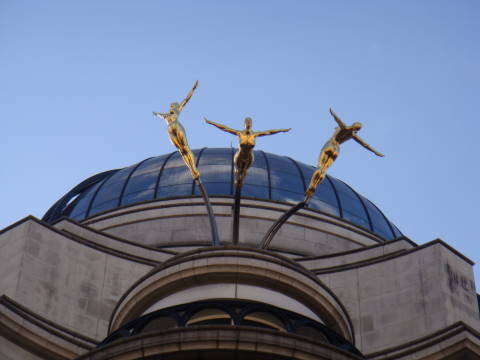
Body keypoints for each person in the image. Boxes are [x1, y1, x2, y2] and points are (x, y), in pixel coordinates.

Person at [305, 108, 384, 201]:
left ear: (353, 125)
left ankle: (311, 186)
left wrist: (332, 113)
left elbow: (338, 120)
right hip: (337, 149)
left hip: (330, 145)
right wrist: (375, 152)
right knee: (324, 170)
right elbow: (365, 144)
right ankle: (315, 185)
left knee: (319, 166)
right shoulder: (353, 135)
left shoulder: (344, 128)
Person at [205, 117, 290, 188]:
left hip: (249, 156)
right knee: (238, 171)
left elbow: (269, 132)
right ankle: (238, 177)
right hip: (240, 155)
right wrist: (211, 123)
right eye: (247, 122)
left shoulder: (254, 135)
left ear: (252, 124)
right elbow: (225, 128)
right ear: (244, 124)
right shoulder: (239, 133)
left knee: (244, 171)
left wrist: (282, 130)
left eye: (250, 122)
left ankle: (241, 178)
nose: (248, 123)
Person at [153, 81, 200, 179]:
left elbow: (186, 99)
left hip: (176, 126)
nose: (171, 106)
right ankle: (191, 170)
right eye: (170, 106)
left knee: (185, 147)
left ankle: (193, 167)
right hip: (169, 129)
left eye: (172, 105)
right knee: (181, 150)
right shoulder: (166, 115)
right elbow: (159, 115)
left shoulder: (178, 110)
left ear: (175, 106)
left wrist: (193, 89)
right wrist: (156, 114)